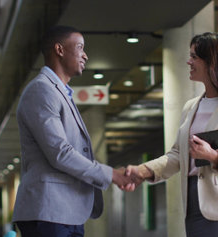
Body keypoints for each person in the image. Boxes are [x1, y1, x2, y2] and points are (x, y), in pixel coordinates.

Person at [125, 32, 218, 237]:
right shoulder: (191, 107)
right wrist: (144, 170)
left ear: (213, 62)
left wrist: (214, 156)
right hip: (192, 203)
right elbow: (177, 155)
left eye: (194, 57)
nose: (188, 61)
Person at [12, 25, 133, 237]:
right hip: (49, 213)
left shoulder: (60, 92)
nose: (85, 55)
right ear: (59, 49)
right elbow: (60, 153)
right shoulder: (42, 90)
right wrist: (111, 174)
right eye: (80, 47)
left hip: (66, 213)